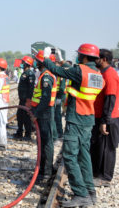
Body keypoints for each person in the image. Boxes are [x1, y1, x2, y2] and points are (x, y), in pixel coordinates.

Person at [43, 44, 104, 207]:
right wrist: (62, 61)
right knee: (84, 156)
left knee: (70, 156)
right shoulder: (98, 74)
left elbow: (59, 72)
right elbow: (74, 73)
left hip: (76, 118)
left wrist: (46, 58)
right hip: (88, 119)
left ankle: (81, 193)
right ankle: (90, 192)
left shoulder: (80, 71)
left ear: (83, 57)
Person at [91, 49, 119, 187]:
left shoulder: (110, 74)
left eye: (97, 58)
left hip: (109, 117)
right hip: (101, 116)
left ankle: (105, 177)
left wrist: (105, 121)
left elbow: (110, 98)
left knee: (107, 148)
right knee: (99, 146)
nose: (94, 60)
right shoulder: (103, 73)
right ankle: (97, 173)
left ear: (103, 59)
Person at [29, 51, 57, 182]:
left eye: (36, 60)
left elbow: (45, 99)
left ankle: (46, 172)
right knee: (42, 141)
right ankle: (42, 170)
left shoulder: (46, 77)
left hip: (44, 113)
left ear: (41, 62)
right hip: (42, 112)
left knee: (46, 142)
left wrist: (36, 114)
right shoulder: (43, 75)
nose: (35, 62)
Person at [14, 56, 35, 141]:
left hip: (26, 100)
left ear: (27, 64)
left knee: (26, 118)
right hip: (22, 99)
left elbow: (31, 88)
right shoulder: (24, 73)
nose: (21, 64)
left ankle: (28, 134)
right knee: (19, 116)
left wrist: (28, 100)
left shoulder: (30, 74)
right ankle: (19, 132)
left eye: (23, 62)